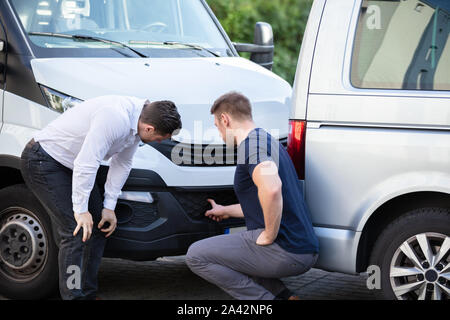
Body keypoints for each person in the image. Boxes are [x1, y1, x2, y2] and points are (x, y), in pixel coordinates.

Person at [20, 95, 182, 300]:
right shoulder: (115, 118)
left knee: (97, 227)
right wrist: (80, 211)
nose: (158, 142)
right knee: (75, 231)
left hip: (73, 166)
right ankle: (74, 296)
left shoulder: (139, 121)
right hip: (45, 161)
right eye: (159, 139)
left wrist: (108, 207)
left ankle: (87, 293)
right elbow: (86, 163)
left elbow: (122, 163)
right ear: (149, 128)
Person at [186, 92, 319, 300]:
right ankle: (285, 296)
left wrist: (269, 234)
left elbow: (272, 189)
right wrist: (226, 210)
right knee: (232, 252)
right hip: (303, 247)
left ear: (225, 119)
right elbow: (263, 200)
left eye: (216, 125)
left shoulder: (251, 146)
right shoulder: (267, 140)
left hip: (284, 250)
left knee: (197, 255)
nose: (219, 133)